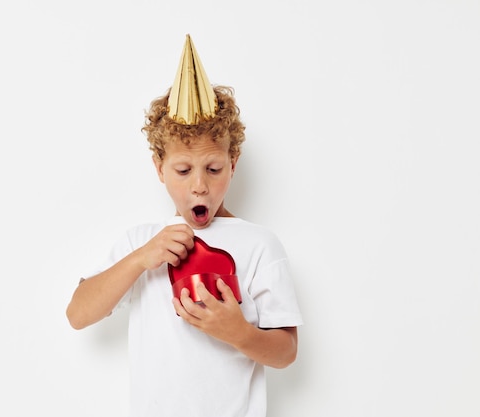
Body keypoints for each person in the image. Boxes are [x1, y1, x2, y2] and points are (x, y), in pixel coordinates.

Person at [66, 34, 303, 417]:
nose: (199, 185)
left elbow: (287, 353)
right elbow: (78, 314)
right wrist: (141, 259)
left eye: (214, 169)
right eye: (182, 170)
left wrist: (237, 332)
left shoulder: (260, 244)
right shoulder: (142, 241)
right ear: (159, 169)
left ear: (233, 163)